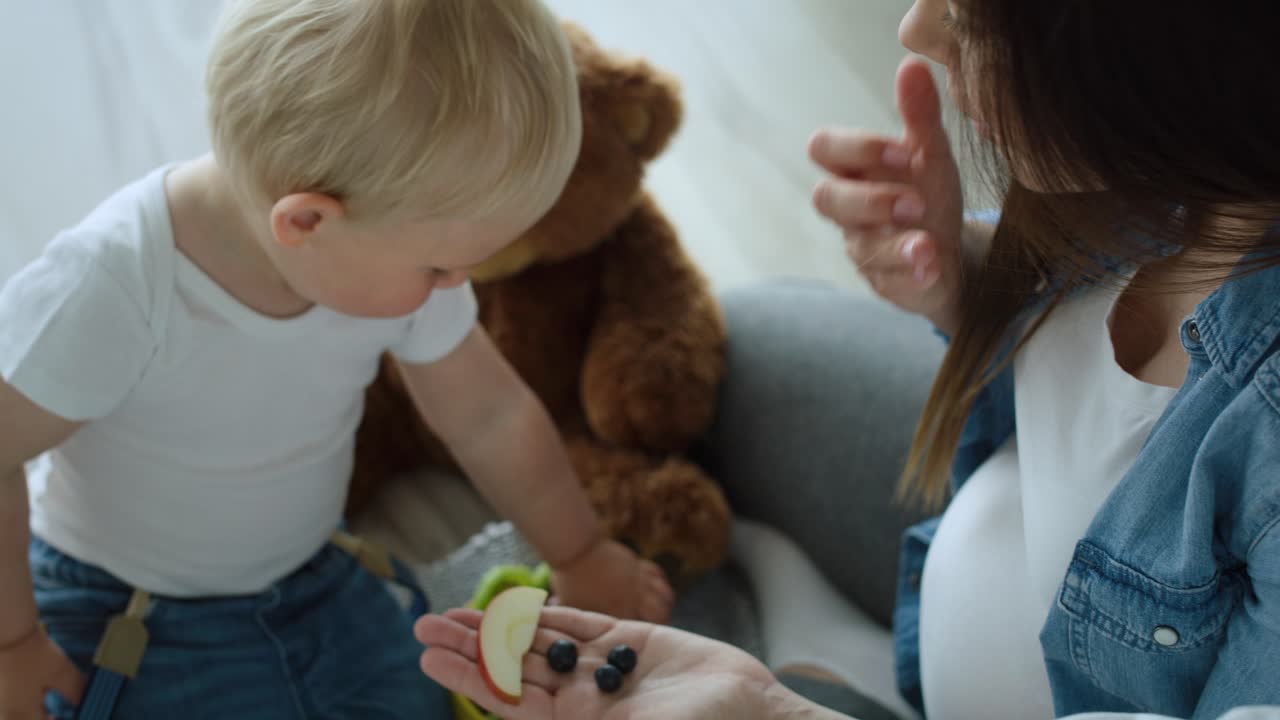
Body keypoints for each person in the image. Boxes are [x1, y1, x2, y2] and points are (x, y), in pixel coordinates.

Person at [415, 0, 1280, 718]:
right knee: (749, 333)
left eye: (979, 21)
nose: (917, 29)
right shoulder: (1198, 182)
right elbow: (1117, 402)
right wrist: (965, 283)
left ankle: (814, 673)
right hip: (982, 556)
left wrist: (774, 712)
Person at [0, 1, 675, 717]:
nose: (457, 286)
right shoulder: (112, 285)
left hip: (313, 576)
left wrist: (579, 554)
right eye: (442, 266)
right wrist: (13, 646)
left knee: (431, 697)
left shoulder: (378, 244)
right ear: (307, 223)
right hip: (126, 603)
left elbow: (490, 415)